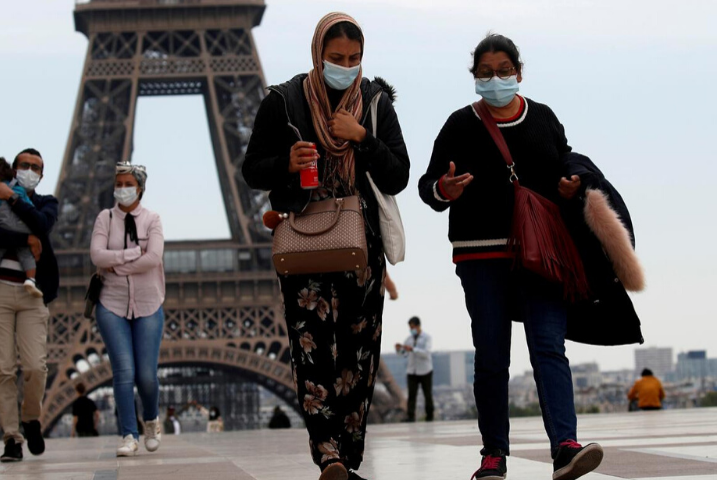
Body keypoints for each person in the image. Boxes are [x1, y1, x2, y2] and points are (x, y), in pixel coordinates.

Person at [418, 34, 605, 480]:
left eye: (503, 70)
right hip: (481, 256)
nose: (495, 78)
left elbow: (567, 162)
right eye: (485, 72)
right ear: (474, 77)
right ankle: (494, 454)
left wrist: (570, 183)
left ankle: (565, 445)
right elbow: (428, 186)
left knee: (548, 348)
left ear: (519, 73)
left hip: (541, 254)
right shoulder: (459, 126)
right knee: (491, 356)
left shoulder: (542, 118)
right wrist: (444, 190)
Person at [243, 12, 409, 480]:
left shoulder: (374, 102)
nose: (346, 66)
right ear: (318, 54)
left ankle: (348, 459)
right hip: (304, 238)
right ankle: (329, 455)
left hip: (361, 242)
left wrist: (363, 140)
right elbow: (252, 169)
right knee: (310, 350)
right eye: (336, 58)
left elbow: (398, 173)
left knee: (359, 353)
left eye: (354, 59)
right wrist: (287, 164)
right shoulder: (283, 101)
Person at [0, 148, 59, 463]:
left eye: (36, 167)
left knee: (36, 366)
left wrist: (11, 198)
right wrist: (26, 240)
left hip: (32, 294)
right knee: (3, 370)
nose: (30, 170)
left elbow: (41, 225)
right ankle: (12, 437)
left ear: (42, 174)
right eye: (25, 165)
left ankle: (31, 417)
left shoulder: (47, 203)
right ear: (14, 167)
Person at [90, 162, 165, 457]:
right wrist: (134, 254)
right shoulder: (104, 218)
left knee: (146, 375)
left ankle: (150, 420)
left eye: (127, 184)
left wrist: (116, 262)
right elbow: (96, 255)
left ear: (140, 188)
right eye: (118, 183)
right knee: (123, 371)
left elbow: (154, 258)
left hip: (148, 302)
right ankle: (128, 434)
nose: (121, 189)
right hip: (111, 303)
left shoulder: (153, 219)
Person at [0, 158, 42, 298]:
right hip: (22, 227)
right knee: (26, 254)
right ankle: (31, 280)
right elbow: (30, 209)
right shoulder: (18, 189)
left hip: (4, 226)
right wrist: (28, 237)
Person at [395, 317, 433, 422]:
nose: (411, 329)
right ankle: (411, 416)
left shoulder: (427, 338)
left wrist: (413, 349)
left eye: (412, 327)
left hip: (425, 370)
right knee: (411, 395)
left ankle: (429, 416)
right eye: (410, 327)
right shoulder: (409, 339)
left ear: (418, 326)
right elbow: (404, 354)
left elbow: (426, 353)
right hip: (412, 371)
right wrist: (399, 350)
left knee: (427, 395)